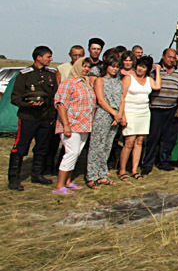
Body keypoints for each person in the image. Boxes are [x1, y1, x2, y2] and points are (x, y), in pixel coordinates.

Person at [8, 46, 58, 191]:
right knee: (21, 147)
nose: (51, 59)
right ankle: (14, 179)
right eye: (48, 57)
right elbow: (15, 98)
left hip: (45, 118)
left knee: (42, 147)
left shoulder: (51, 74)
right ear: (39, 57)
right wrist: (28, 104)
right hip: (28, 117)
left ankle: (37, 174)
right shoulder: (25, 75)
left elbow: (53, 96)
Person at [52, 57, 95, 194]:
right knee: (71, 152)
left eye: (88, 67)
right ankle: (59, 185)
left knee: (77, 153)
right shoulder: (68, 83)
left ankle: (68, 181)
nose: (86, 69)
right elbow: (61, 104)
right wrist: (66, 124)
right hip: (71, 123)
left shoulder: (86, 83)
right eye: (83, 66)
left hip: (84, 124)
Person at [141, 49, 178, 175]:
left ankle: (164, 161)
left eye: (173, 58)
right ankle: (148, 163)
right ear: (163, 57)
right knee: (153, 138)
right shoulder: (155, 71)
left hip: (172, 109)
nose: (171, 60)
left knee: (169, 138)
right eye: (169, 57)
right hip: (156, 109)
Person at [118, 57, 160, 179]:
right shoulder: (128, 78)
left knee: (139, 141)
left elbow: (157, 86)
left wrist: (157, 70)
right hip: (130, 112)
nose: (140, 69)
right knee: (129, 142)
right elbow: (122, 97)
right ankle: (122, 170)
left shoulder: (149, 79)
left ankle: (134, 169)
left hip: (144, 113)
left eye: (143, 67)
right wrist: (123, 115)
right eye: (139, 66)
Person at [86, 57, 123, 188]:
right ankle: (92, 175)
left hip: (116, 116)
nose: (115, 69)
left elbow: (122, 98)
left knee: (107, 146)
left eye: (117, 67)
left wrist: (119, 115)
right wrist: (113, 113)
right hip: (103, 114)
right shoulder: (99, 80)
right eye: (112, 66)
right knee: (97, 145)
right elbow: (100, 100)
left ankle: (102, 174)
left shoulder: (118, 82)